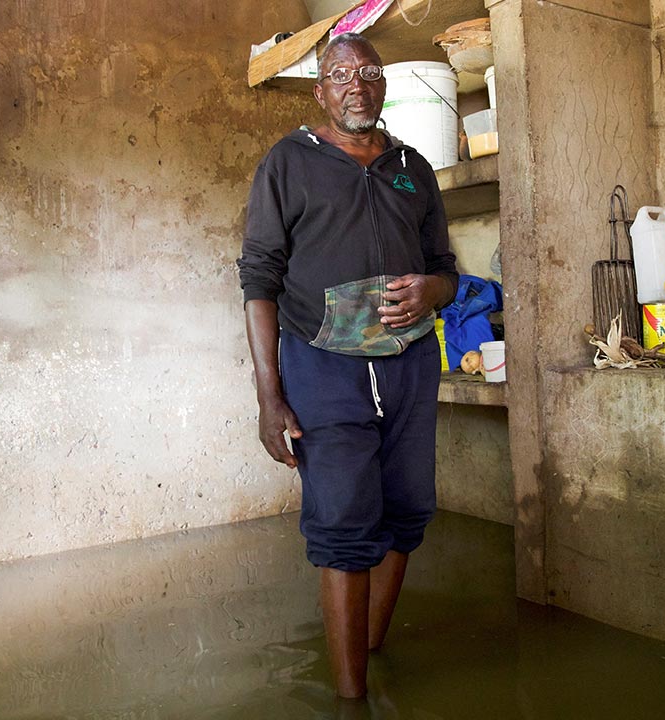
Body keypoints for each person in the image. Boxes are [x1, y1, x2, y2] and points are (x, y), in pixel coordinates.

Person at [237, 33, 457, 698]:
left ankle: (365, 647)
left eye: (368, 72)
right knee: (342, 523)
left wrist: (429, 291)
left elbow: (445, 272)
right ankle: (351, 699)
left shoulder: (412, 167)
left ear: (383, 85)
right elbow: (258, 281)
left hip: (410, 363)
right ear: (320, 91)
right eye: (339, 74)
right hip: (323, 367)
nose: (355, 83)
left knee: (408, 511)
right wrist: (269, 397)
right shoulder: (288, 163)